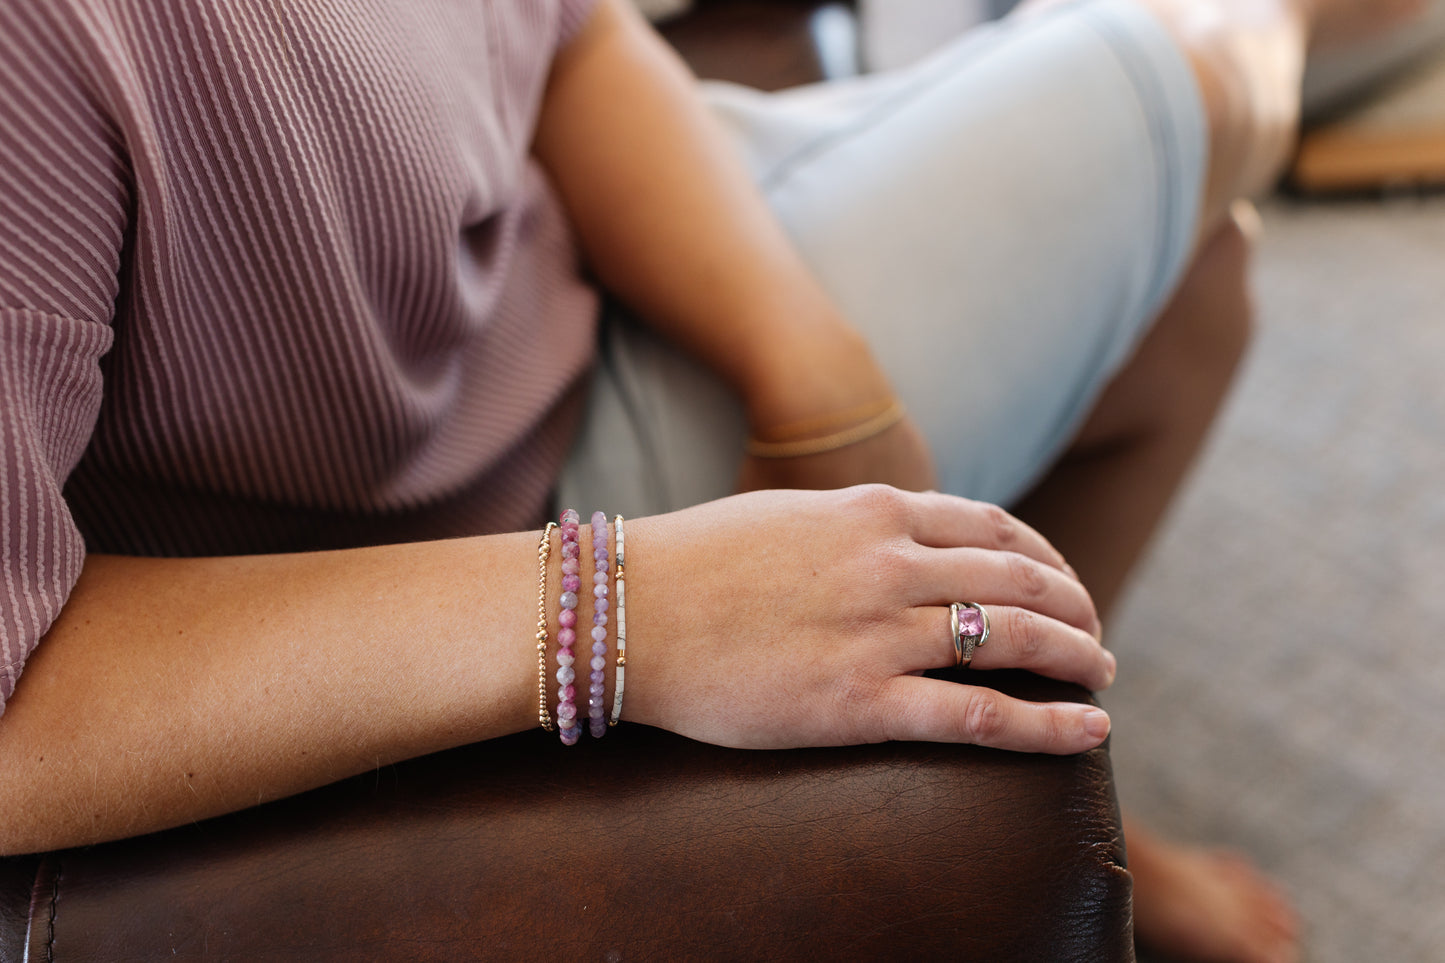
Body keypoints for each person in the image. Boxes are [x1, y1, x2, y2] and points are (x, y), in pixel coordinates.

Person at [0, 0, 1421, 960]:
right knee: (1208, 58)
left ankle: (1064, 764)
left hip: (558, 269)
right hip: (450, 551)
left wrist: (813, 371)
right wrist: (631, 603)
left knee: (1191, 287)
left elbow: (570, 33)